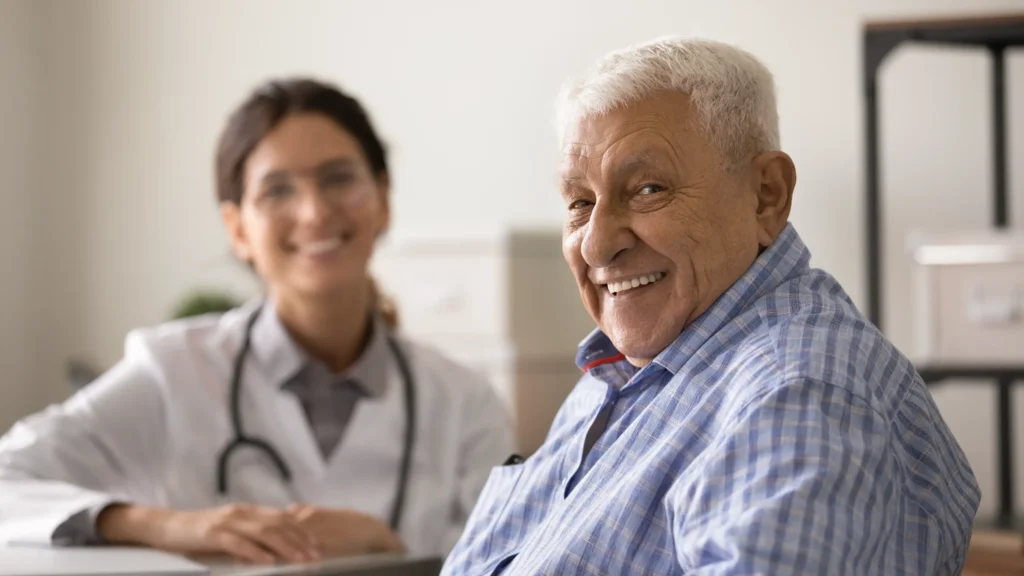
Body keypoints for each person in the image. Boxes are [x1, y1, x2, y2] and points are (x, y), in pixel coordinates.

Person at [443, 37, 979, 575]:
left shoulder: (796, 393)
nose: (596, 244)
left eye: (649, 189)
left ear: (766, 195)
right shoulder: (626, 369)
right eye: (580, 202)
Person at [0, 78, 513, 565]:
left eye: (339, 178)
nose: (313, 213)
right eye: (277, 191)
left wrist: (390, 549)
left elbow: (513, 560)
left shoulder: (465, 404)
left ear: (383, 201)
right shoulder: (172, 373)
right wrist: (165, 525)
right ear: (237, 228)